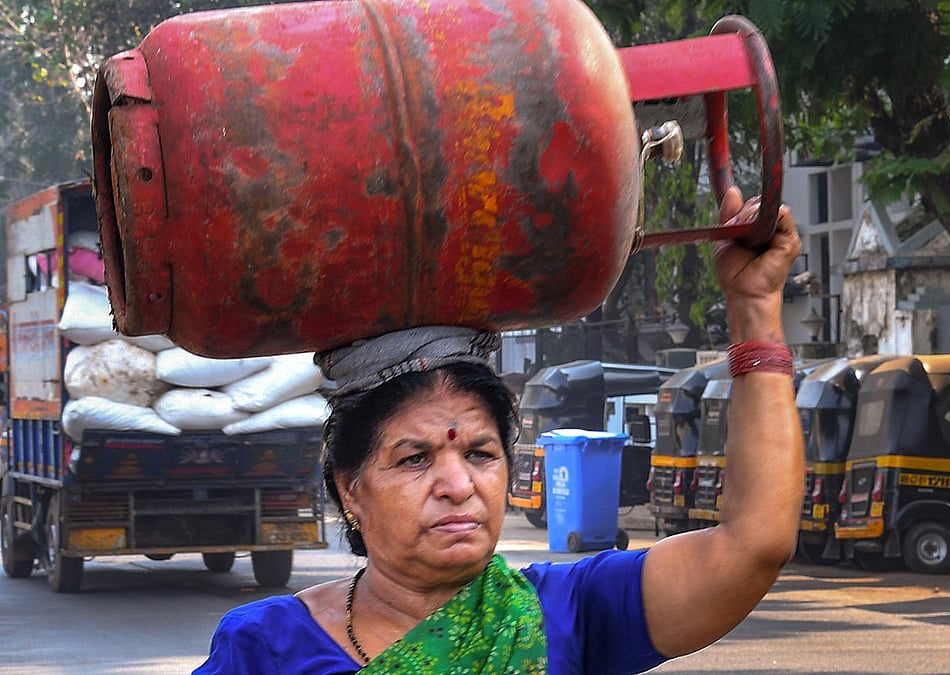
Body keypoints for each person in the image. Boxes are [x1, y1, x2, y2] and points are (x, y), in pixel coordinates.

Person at [194, 186, 805, 674]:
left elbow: (754, 544)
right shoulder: (265, 647)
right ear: (349, 489)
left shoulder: (568, 614)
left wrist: (755, 309)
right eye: (413, 459)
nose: (457, 484)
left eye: (482, 453)